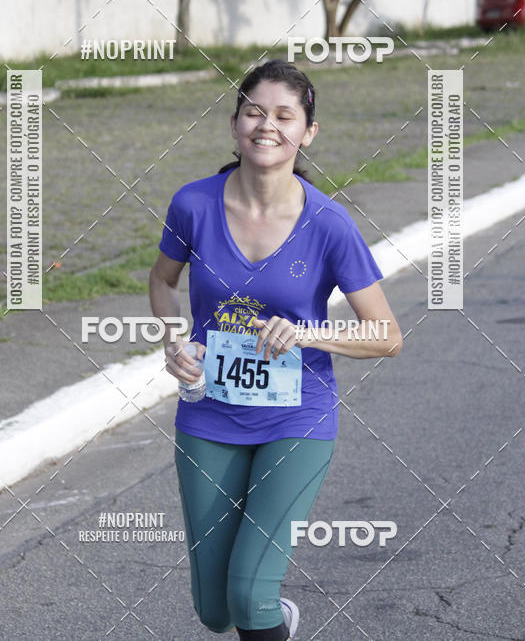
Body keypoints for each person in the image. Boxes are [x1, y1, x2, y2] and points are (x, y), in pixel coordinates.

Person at [149, 60, 402, 640]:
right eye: (255, 112)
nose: (268, 126)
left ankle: (268, 615)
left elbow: (387, 336)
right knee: (215, 611)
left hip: (297, 417)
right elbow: (161, 281)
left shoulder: (330, 223)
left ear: (307, 132)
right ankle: (277, 621)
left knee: (250, 594)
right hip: (208, 409)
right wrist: (173, 340)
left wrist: (309, 332)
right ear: (235, 123)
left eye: (285, 116)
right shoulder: (192, 204)